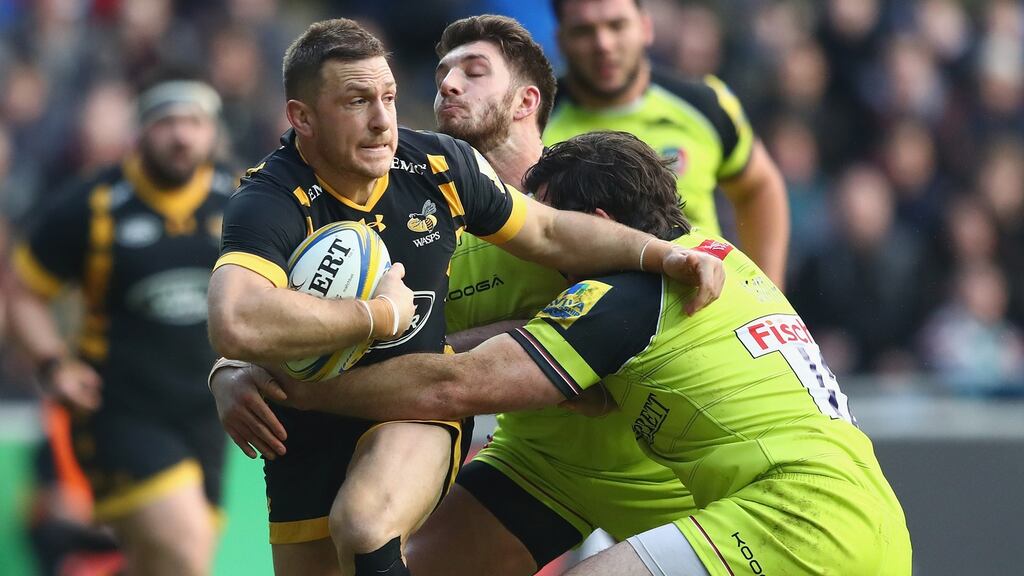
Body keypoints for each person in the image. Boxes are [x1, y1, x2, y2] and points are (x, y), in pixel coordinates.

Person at [239, 131, 914, 575]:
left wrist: (302, 390)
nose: (534, 246)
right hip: (868, 517)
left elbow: (454, 387)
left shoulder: (629, 293)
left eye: (550, 222)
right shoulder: (714, 258)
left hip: (798, 518)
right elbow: (538, 346)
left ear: (596, 227)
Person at [205, 18, 724, 576]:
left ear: (527, 101)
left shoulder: (516, 184)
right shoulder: (281, 197)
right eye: (358, 101)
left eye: (389, 98)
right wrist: (240, 364)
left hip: (614, 462)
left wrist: (659, 253)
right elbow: (242, 314)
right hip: (498, 462)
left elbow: (552, 239)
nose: (384, 119)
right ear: (302, 117)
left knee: (365, 524)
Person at [7, 76, 232, 576]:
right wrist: (53, 363)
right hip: (119, 410)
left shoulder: (241, 201)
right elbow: (23, 290)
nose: (181, 136)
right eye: (167, 122)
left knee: (163, 564)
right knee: (185, 552)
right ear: (141, 129)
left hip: (208, 413)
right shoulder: (93, 204)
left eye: (194, 122)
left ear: (213, 130)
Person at [546, 0, 791, 288]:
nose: (603, 44)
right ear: (561, 40)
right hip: (581, 309)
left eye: (617, 25)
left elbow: (759, 186)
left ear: (645, 27)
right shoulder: (535, 118)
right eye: (584, 31)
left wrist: (769, 289)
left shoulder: (703, 104)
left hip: (702, 304)